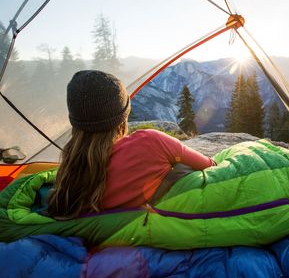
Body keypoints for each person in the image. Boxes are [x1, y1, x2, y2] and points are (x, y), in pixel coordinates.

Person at [47, 70, 214, 219]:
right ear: (122, 117)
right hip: (157, 227)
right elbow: (210, 166)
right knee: (183, 170)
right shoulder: (151, 141)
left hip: (107, 243)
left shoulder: (70, 174)